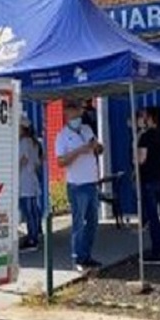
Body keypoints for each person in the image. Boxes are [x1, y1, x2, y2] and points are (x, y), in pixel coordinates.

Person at [55, 98, 104, 272]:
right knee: (79, 222)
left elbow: (99, 149)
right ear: (68, 113)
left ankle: (87, 255)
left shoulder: (86, 129)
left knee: (92, 222)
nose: (79, 113)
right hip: (77, 185)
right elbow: (60, 162)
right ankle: (78, 257)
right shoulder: (62, 136)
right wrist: (79, 151)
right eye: (75, 110)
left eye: (80, 110)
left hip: (91, 182)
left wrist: (97, 147)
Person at [137, 105, 160, 264]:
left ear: (149, 118)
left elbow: (141, 159)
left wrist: (134, 157)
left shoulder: (145, 137)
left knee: (152, 216)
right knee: (157, 215)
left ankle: (157, 251)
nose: (142, 119)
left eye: (144, 116)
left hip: (149, 179)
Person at [18, 115, 43, 251]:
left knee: (29, 212)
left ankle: (32, 239)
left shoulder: (23, 143)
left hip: (25, 181)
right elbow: (38, 164)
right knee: (33, 210)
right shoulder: (34, 143)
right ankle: (36, 234)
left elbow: (21, 161)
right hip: (32, 180)